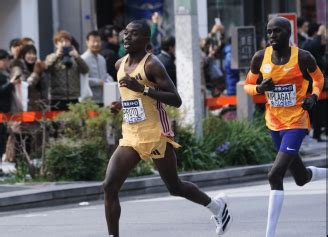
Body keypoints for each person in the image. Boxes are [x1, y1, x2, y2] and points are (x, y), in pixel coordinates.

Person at [103, 20, 232, 237]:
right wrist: (121, 103)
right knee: (109, 186)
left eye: (133, 34)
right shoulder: (119, 65)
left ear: (146, 40)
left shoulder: (152, 64)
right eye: (125, 33)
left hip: (156, 133)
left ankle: (216, 207)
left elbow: (176, 99)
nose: (127, 37)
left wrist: (142, 89)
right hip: (131, 135)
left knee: (175, 187)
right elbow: (131, 95)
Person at [244, 17, 326, 237]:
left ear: (288, 33)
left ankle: (269, 234)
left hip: (297, 122)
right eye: (269, 32)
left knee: (275, 175)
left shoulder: (303, 57)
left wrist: (315, 96)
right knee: (300, 178)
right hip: (274, 123)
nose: (271, 36)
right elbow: (247, 85)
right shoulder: (260, 58)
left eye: (277, 32)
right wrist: (259, 88)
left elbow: (319, 79)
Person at [45, 31, 89, 110]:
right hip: (57, 98)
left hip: (74, 98)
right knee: (57, 121)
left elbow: (85, 70)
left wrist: (77, 57)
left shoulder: (74, 57)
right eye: (61, 41)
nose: (64, 43)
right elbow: (46, 69)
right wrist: (56, 56)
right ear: (56, 44)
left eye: (67, 41)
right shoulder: (51, 57)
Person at [0, 50, 20, 175]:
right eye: (6, 60)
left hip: (4, 113)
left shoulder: (5, 74)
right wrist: (11, 84)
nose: (8, 63)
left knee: (1, 140)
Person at [82, 31, 113, 106]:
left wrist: (109, 79)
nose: (96, 44)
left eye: (98, 41)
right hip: (89, 100)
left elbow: (105, 75)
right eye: (93, 41)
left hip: (103, 98)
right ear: (87, 42)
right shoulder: (83, 59)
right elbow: (81, 79)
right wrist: (98, 82)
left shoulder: (102, 59)